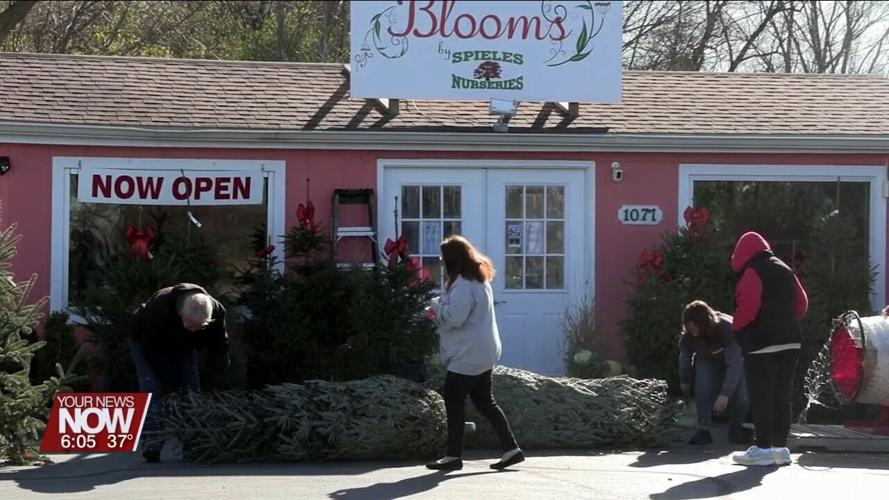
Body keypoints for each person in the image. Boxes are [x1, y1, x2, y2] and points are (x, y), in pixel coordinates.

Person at [424, 235, 523, 471]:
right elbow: (459, 308)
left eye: (442, 259)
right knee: (484, 401)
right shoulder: (478, 280)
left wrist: (436, 310)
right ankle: (511, 449)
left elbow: (455, 317)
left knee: (454, 399)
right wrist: (442, 305)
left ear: (452, 260)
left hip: (468, 354)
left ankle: (453, 457)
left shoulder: (463, 285)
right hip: (484, 352)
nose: (441, 262)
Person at [730, 232, 808, 466]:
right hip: (791, 340)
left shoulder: (754, 270)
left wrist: (737, 327)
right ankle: (781, 448)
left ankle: (763, 448)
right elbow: (802, 304)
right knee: (782, 395)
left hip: (761, 342)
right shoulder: (785, 269)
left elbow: (749, 307)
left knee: (761, 394)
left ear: (743, 253)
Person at [129, 283, 230, 463]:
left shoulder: (218, 312)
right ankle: (152, 443)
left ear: (208, 319)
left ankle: (194, 441)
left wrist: (218, 385)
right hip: (147, 343)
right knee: (153, 389)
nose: (193, 330)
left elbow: (219, 351)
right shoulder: (159, 308)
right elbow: (153, 353)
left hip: (184, 347)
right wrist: (173, 383)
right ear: (180, 314)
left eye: (198, 328)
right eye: (190, 325)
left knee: (192, 390)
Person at [679, 300, 751, 445]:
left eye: (694, 325)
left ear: (703, 322)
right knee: (703, 382)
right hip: (707, 359)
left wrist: (725, 394)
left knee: (740, 386)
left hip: (735, 357)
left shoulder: (726, 328)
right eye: (689, 326)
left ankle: (736, 428)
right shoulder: (687, 338)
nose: (691, 330)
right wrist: (685, 385)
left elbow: (735, 364)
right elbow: (685, 362)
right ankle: (704, 429)